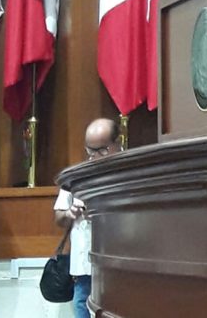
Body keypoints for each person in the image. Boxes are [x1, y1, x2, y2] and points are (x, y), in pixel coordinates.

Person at [54, 118, 123, 318]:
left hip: (119, 267)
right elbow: (59, 217)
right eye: (90, 151)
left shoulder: (130, 172)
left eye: (102, 150)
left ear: (118, 142)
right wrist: (70, 213)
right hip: (84, 268)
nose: (94, 157)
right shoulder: (76, 176)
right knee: (81, 308)